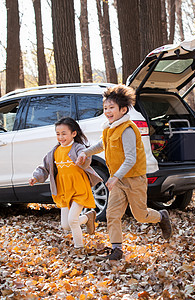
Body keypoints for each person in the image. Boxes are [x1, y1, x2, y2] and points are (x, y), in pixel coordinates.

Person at [77, 84, 173, 261]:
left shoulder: (127, 129)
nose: (108, 111)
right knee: (112, 214)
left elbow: (130, 159)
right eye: (105, 108)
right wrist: (85, 152)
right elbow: (101, 145)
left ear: (123, 109)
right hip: (118, 181)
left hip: (134, 179)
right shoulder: (108, 128)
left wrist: (114, 177)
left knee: (140, 215)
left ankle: (161, 216)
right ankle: (116, 250)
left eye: (112, 108)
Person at [29, 117, 102, 251]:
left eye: (64, 133)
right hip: (64, 190)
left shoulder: (78, 148)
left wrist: (82, 157)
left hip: (79, 188)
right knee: (66, 225)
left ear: (73, 133)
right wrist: (35, 177)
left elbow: (84, 155)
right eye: (58, 134)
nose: (61, 137)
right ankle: (87, 217)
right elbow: (44, 167)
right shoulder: (54, 152)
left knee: (73, 220)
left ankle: (79, 248)